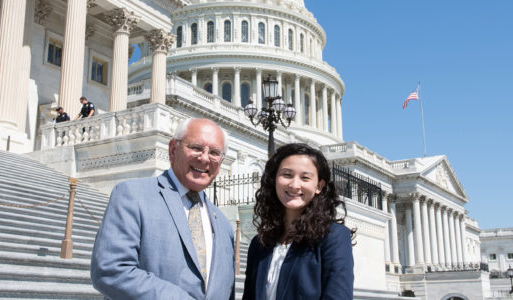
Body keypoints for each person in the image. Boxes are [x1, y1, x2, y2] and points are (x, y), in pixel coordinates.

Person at [91, 118, 235, 300]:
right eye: (197, 148)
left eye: (214, 152)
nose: (205, 158)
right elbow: (110, 270)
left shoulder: (224, 225)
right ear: (173, 150)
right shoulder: (132, 195)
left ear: (221, 162)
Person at [243, 143, 354, 300]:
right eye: (287, 175)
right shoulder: (259, 243)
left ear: (319, 186)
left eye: (305, 177)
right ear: (274, 179)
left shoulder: (333, 237)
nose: (294, 185)